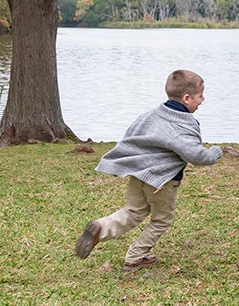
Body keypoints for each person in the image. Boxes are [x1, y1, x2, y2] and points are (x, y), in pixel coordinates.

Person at [74, 69, 223, 271]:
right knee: (161, 220)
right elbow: (196, 155)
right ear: (187, 98)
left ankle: (101, 228)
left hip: (139, 175)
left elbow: (132, 136)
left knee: (133, 211)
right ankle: (136, 256)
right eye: (200, 96)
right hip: (162, 182)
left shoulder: (152, 115)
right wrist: (214, 153)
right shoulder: (182, 123)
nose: (203, 99)